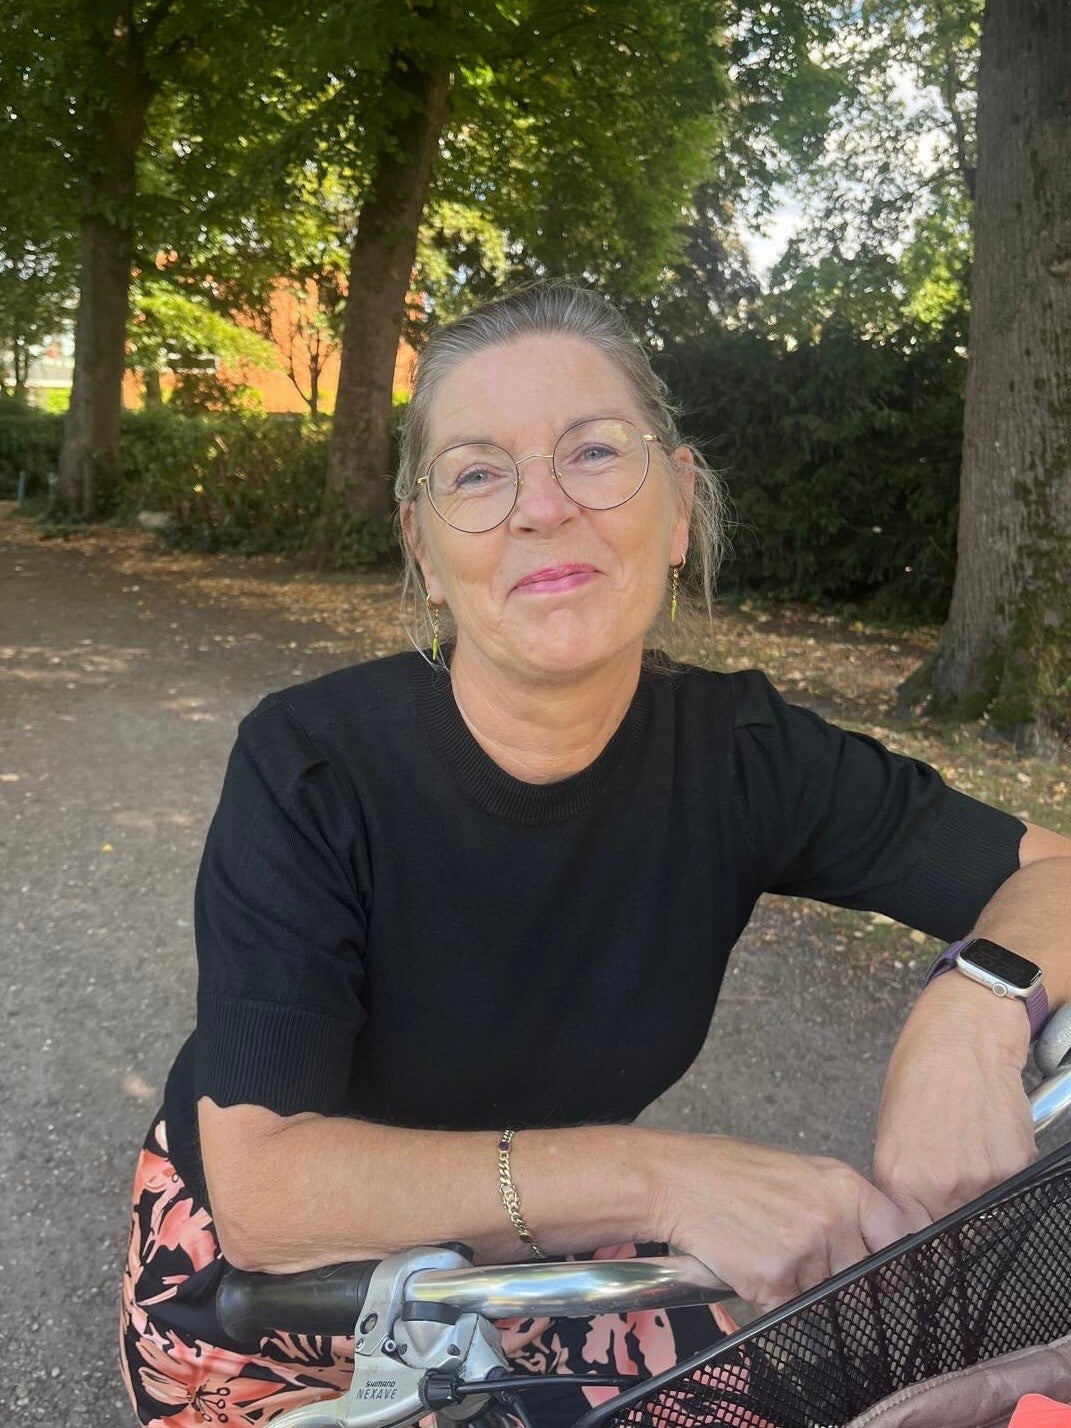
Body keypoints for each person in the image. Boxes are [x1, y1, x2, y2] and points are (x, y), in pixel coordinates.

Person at [119, 282, 1071, 1428]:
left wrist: (976, 1009)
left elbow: (1053, 874)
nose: (543, 507)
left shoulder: (745, 756)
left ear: (677, 509)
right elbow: (266, 1193)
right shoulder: (310, 766)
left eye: (594, 452)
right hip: (279, 1301)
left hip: (561, 1258)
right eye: (479, 473)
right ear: (426, 550)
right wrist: (665, 1179)